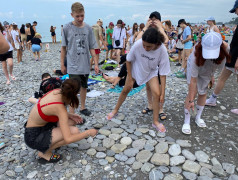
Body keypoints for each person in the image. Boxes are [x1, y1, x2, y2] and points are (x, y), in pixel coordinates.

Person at [107, 28, 170, 133]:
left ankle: (155, 121)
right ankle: (115, 110)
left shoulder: (162, 50)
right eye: (144, 45)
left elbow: (163, 74)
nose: (145, 48)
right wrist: (130, 78)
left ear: (156, 44)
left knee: (157, 93)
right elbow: (128, 60)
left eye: (148, 46)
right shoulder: (138, 44)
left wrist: (163, 93)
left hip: (151, 71)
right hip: (136, 69)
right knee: (126, 89)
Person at [24, 79, 98, 164]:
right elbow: (68, 139)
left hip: (42, 126)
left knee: (72, 122)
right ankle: (44, 152)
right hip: (33, 137)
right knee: (74, 132)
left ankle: (50, 142)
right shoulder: (60, 108)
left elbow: (51, 110)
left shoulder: (57, 91)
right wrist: (88, 132)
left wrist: (70, 115)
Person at [182, 32, 230, 134]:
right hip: (197, 65)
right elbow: (193, 80)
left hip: (209, 69)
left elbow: (217, 67)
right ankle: (187, 121)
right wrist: (191, 100)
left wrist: (211, 76)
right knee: (193, 92)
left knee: (203, 92)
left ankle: (198, 117)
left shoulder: (225, 50)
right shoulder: (196, 53)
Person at [61, 2, 98, 116]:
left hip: (85, 64)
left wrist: (96, 63)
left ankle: (82, 107)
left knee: (84, 86)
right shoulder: (67, 28)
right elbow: (63, 48)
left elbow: (92, 47)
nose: (80, 18)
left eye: (82, 15)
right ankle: (71, 112)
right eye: (77, 16)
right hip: (72, 64)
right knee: (73, 89)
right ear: (72, 15)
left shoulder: (88, 28)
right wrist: (62, 64)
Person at [206, 1, 238, 115]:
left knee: (223, 78)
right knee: (222, 77)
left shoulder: (215, 27)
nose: (235, 13)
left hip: (235, 57)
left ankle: (212, 99)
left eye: (236, 10)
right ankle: (212, 99)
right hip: (232, 55)